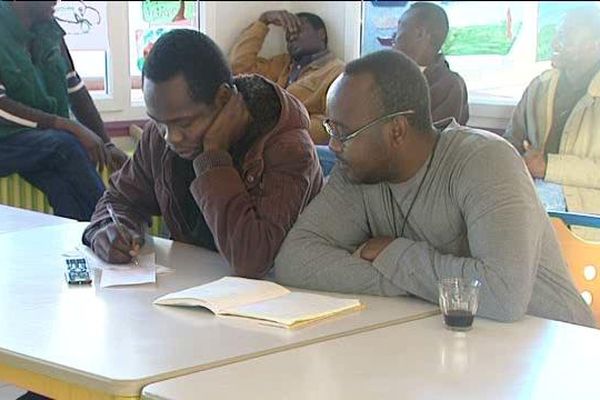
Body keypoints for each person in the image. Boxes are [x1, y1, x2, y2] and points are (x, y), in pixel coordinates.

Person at [274, 50, 595, 327]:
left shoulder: (485, 161)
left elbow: (503, 295)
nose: (334, 146)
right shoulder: (358, 172)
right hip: (458, 345)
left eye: (343, 133)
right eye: (331, 128)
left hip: (555, 347)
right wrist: (411, 279)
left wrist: (393, 254)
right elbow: (295, 260)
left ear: (396, 130)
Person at [82, 29, 323, 278]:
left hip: (278, 300)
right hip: (193, 287)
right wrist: (108, 229)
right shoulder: (161, 134)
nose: (170, 137)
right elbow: (120, 200)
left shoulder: (289, 148)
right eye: (159, 122)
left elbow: (252, 261)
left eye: (184, 124)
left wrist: (213, 158)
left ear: (223, 98)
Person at [0, 1, 128, 221]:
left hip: (37, 143)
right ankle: (114, 226)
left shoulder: (49, 29)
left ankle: (85, 246)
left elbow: (75, 89)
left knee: (62, 187)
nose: (57, 0)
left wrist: (107, 143)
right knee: (66, 144)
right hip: (9, 143)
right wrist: (68, 125)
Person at [504, 6, 600, 241]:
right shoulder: (540, 86)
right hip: (531, 198)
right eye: (558, 34)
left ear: (595, 46)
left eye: (566, 36)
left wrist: (548, 167)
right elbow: (511, 141)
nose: (556, 42)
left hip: (585, 218)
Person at [230, 10, 344, 145]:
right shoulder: (282, 63)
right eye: (288, 34)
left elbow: (332, 125)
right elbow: (239, 68)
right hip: (260, 137)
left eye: (298, 30)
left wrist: (279, 130)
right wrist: (264, 21)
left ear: (321, 34)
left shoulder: (337, 72)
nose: (291, 37)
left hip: (295, 145)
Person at [393, 2, 469, 125]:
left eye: (400, 28)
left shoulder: (450, 86)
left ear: (420, 34)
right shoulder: (387, 75)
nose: (394, 36)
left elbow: (433, 140)